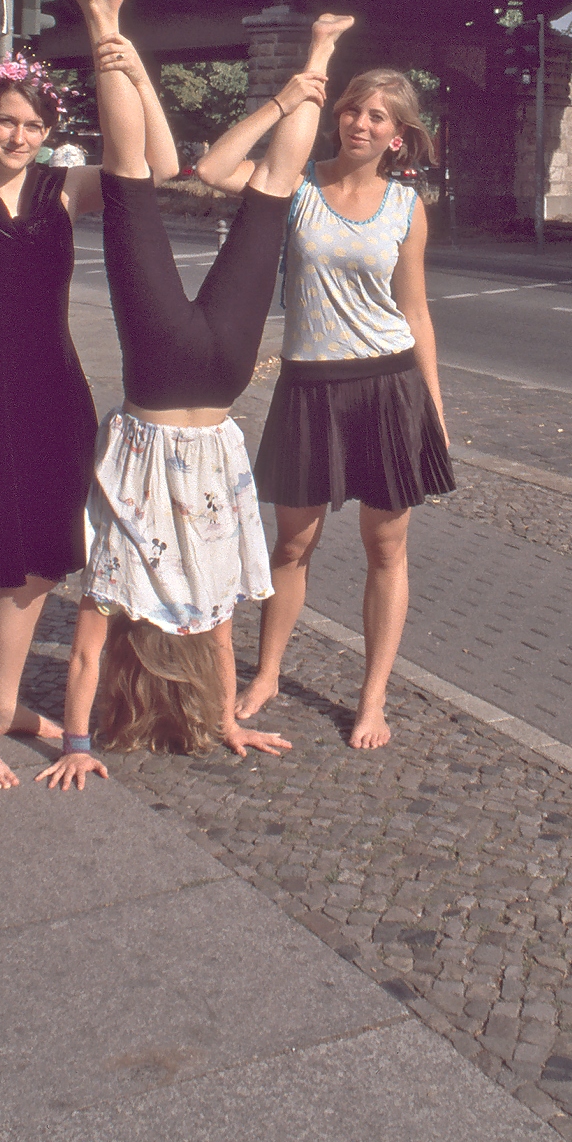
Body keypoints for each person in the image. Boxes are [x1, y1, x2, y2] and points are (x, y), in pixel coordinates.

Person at [32, 0, 351, 789]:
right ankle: (103, 20)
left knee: (271, 193)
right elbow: (84, 663)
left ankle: (320, 53)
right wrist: (76, 741)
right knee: (130, 188)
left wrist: (223, 721)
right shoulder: (117, 589)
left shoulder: (199, 600)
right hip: (162, 383)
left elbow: (218, 644)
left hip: (217, 389)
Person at [0, 51, 176, 788]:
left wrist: (135, 72)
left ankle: (2, 703)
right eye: (5, 121)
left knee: (39, 563)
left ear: (50, 132)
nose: (17, 137)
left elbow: (162, 166)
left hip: (54, 397)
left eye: (32, 126)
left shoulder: (64, 190)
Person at [226, 69, 454, 749]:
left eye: (378, 117)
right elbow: (215, 169)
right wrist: (287, 98)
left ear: (398, 136)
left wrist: (435, 410)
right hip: (309, 387)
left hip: (389, 387)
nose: (361, 124)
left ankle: (372, 697)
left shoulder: (406, 206)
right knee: (292, 543)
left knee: (385, 548)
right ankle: (267, 673)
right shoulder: (296, 185)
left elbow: (415, 312)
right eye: (353, 110)